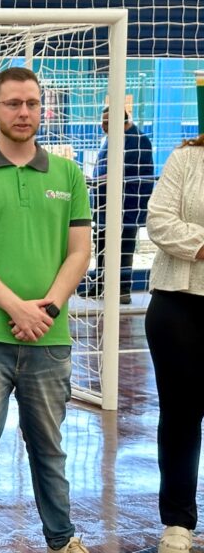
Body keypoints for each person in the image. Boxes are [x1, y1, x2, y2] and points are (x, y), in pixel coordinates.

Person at [0, 67, 92, 553]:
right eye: (13, 103)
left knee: (49, 450)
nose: (24, 112)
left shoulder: (68, 173)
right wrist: (17, 308)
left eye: (32, 103)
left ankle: (62, 539)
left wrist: (46, 309)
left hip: (48, 341)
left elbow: (79, 252)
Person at [144, 134, 204, 553]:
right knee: (180, 417)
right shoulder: (186, 158)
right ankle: (178, 523)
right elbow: (160, 221)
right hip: (177, 304)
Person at [84, 106, 154, 304]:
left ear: (121, 122)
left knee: (124, 245)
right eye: (102, 121)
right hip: (105, 203)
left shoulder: (137, 141)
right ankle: (98, 285)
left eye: (107, 122)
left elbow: (120, 172)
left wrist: (94, 180)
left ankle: (123, 289)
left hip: (127, 206)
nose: (102, 126)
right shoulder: (113, 137)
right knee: (102, 243)